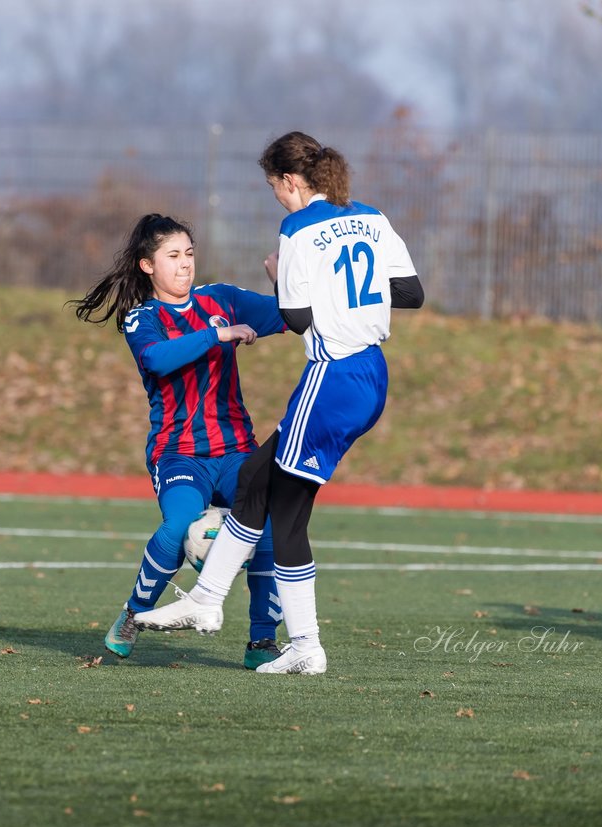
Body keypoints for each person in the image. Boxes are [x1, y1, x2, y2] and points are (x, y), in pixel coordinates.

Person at [136, 132, 424, 674]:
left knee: (265, 495)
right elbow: (411, 293)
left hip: (332, 376)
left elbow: (296, 320)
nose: (278, 199)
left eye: (275, 189)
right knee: (274, 501)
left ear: (291, 182)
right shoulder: (371, 216)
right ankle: (297, 643)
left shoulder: (297, 229)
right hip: (371, 377)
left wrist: (279, 277)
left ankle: (210, 601)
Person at [69, 213, 285, 669]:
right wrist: (218, 334)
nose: (185, 264)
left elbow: (288, 317)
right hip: (178, 452)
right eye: (172, 256)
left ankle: (262, 642)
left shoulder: (221, 298)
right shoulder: (142, 317)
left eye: (189, 254)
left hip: (236, 450)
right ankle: (134, 613)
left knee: (267, 530)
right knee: (180, 520)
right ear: (148, 266)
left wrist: (286, 281)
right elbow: (157, 358)